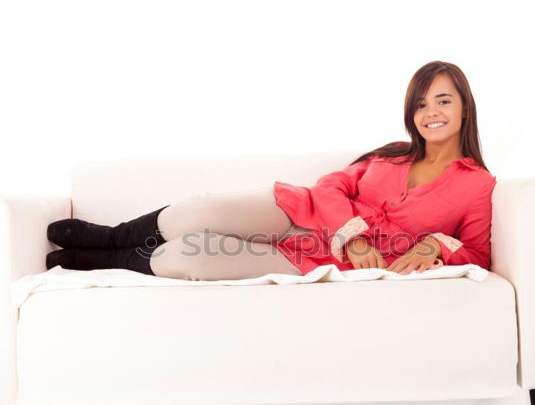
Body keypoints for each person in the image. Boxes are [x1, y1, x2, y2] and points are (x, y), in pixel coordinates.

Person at [46, 60, 497, 281]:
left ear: (464, 108)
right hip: (299, 211)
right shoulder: (394, 153)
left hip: (321, 257)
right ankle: (108, 237)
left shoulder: (477, 184)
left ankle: (111, 263)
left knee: (192, 255)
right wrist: (354, 234)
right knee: (197, 213)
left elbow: (477, 252)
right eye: (421, 103)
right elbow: (334, 183)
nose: (430, 112)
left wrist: (437, 243)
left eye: (443, 100)